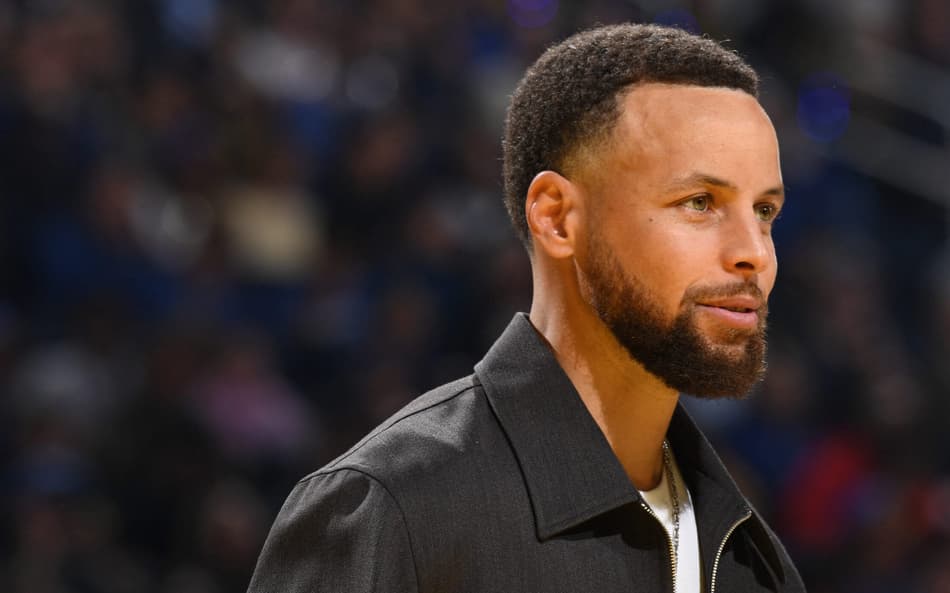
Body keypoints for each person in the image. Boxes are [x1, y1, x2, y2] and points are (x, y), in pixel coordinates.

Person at [247, 23, 805, 593]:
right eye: (699, 202)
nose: (754, 254)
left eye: (765, 211)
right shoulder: (395, 508)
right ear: (558, 218)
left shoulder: (755, 561)